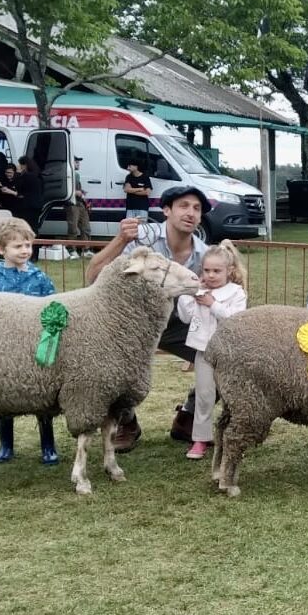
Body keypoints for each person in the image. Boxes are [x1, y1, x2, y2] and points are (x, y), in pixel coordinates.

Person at [85, 185, 211, 452]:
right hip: (135, 325)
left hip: (180, 324)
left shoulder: (205, 254)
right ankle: (126, 422)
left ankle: (188, 417)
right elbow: (93, 275)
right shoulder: (141, 241)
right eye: (183, 206)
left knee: (221, 359)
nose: (191, 213)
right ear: (166, 210)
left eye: (197, 208)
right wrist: (120, 240)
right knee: (108, 369)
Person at [0, 217, 59, 466]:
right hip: (3, 348)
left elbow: (53, 307)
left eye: (28, 245)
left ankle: (48, 445)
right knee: (3, 394)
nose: (25, 250)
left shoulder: (40, 278)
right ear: (0, 248)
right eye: (18, 246)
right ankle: (6, 445)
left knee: (42, 395)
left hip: (35, 346)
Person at [177, 240, 248, 460]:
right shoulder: (200, 291)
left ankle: (235, 436)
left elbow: (235, 320)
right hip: (204, 352)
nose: (211, 275)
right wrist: (188, 293)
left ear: (229, 271)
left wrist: (212, 304)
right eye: (207, 270)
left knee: (233, 396)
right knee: (204, 394)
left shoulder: (236, 292)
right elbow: (185, 316)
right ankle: (200, 439)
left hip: (230, 353)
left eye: (217, 271)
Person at [66, 156, 94, 259]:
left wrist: (81, 192)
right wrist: (76, 192)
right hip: (72, 204)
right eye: (76, 162)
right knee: (73, 228)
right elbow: (65, 189)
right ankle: (71, 250)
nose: (78, 164)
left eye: (78, 162)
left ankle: (86, 250)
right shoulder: (68, 175)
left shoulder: (76, 175)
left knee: (86, 227)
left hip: (80, 203)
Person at [13, 155, 44, 227]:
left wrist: (17, 173)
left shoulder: (26, 176)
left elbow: (18, 187)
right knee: (34, 225)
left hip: (27, 205)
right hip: (37, 204)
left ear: (24, 165)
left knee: (26, 225)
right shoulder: (38, 175)